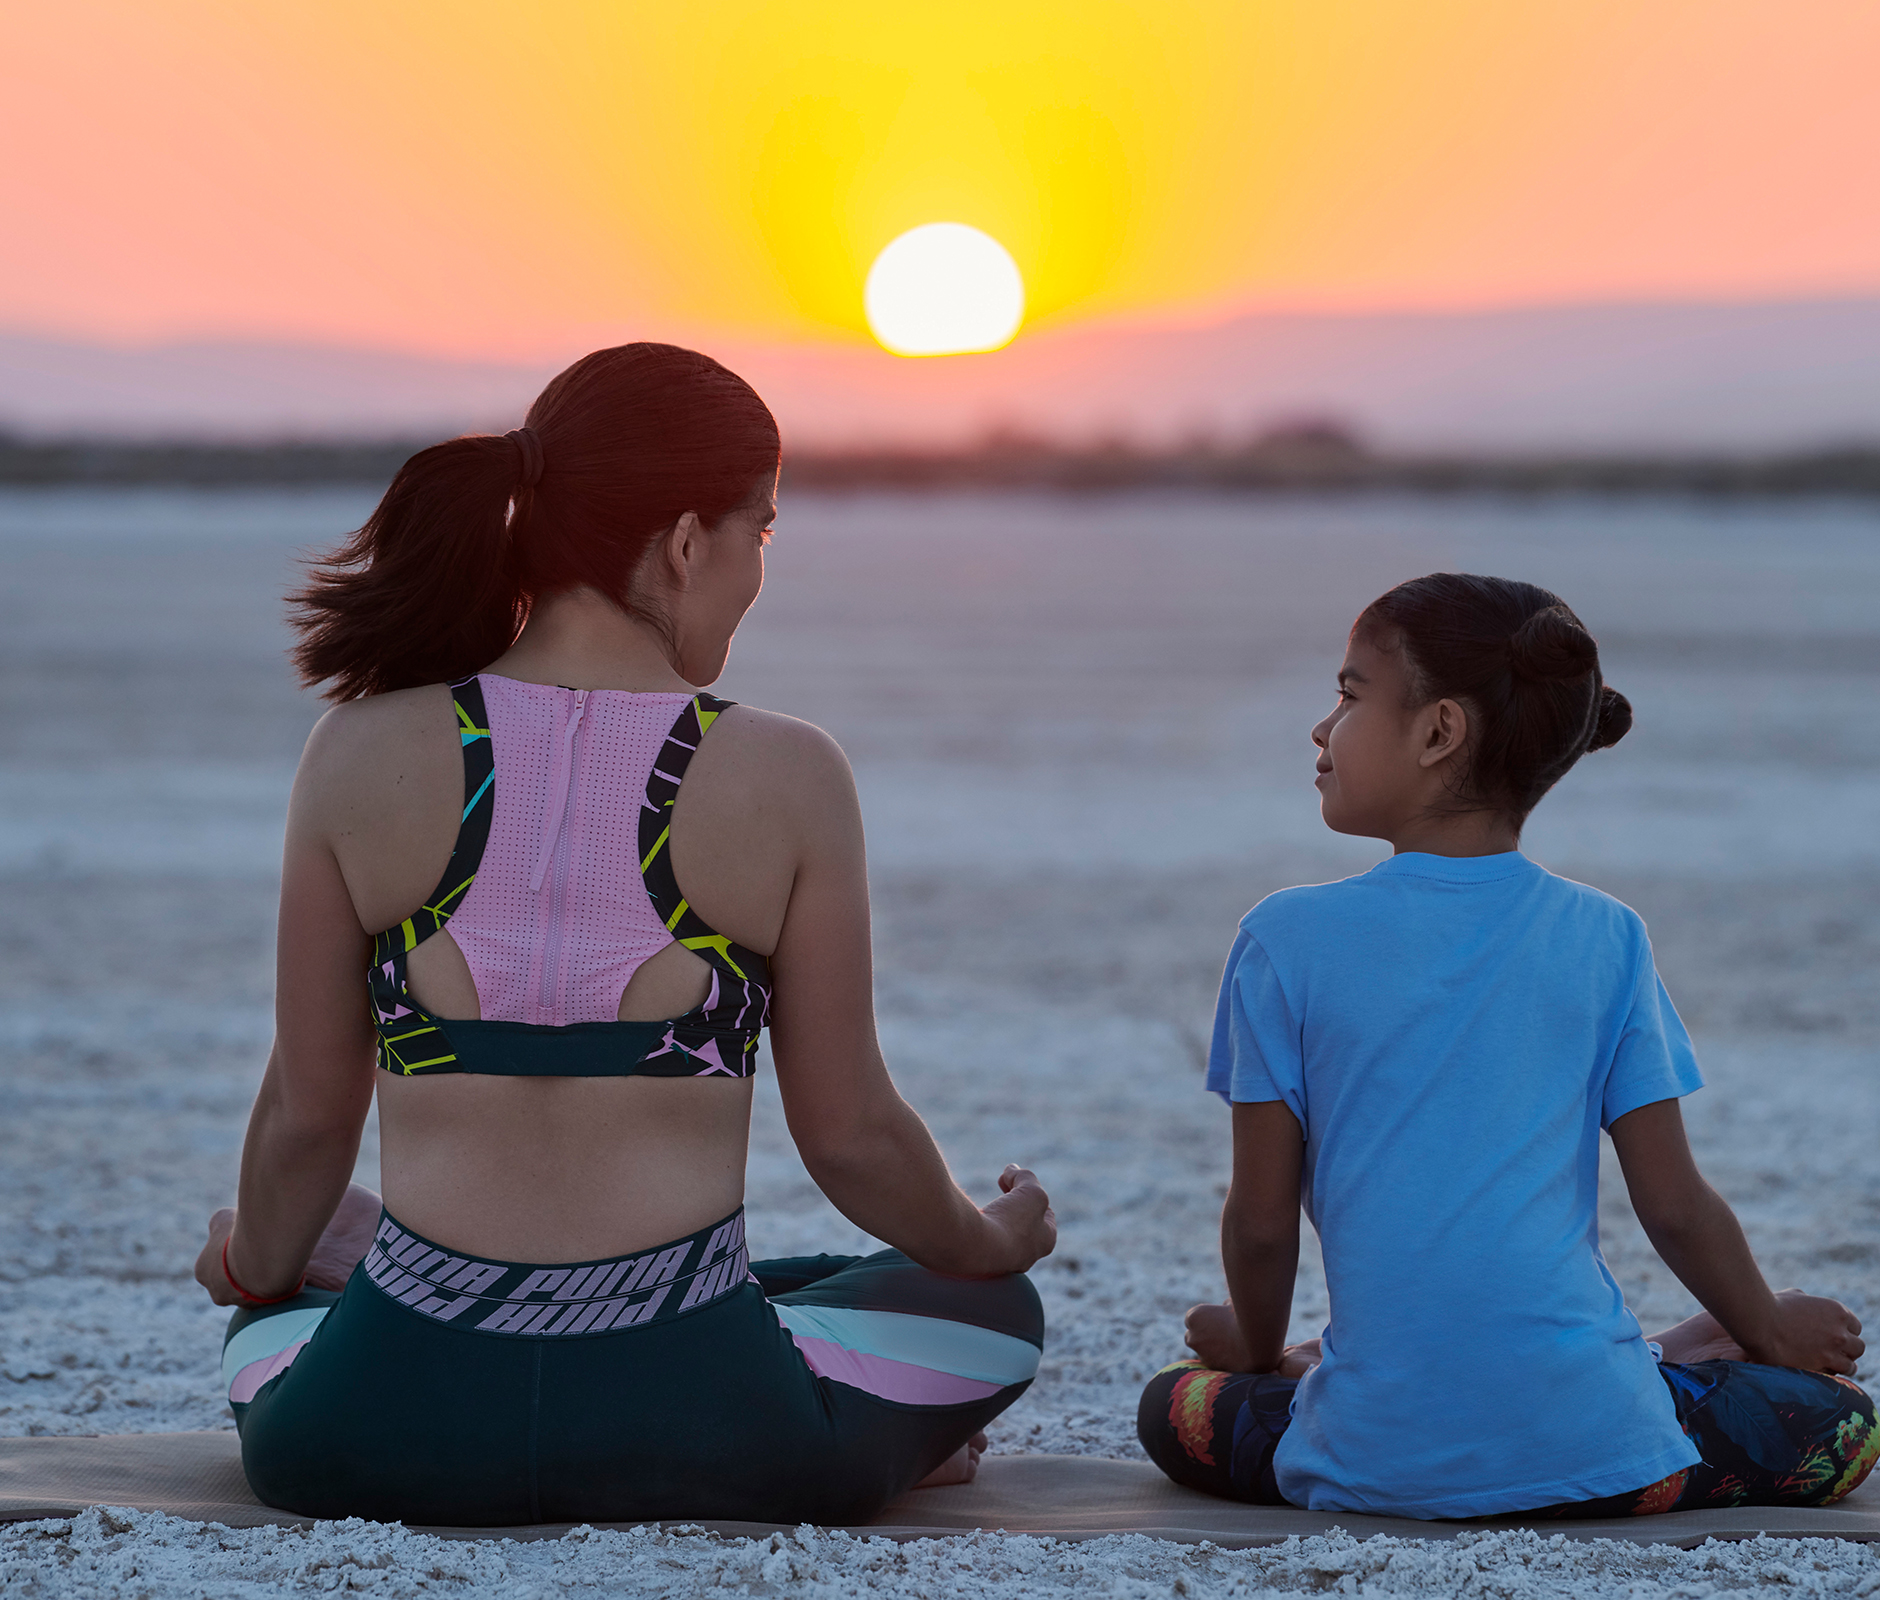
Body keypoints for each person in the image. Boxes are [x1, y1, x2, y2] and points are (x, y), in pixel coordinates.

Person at [192, 343, 1054, 1528]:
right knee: (988, 1310)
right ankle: (871, 1422)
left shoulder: (356, 750)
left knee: (275, 1310)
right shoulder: (789, 772)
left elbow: (305, 1117)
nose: (759, 568)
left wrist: (250, 1264)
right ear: (688, 540)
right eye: (763, 531)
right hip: (709, 1425)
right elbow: (850, 1138)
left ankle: (356, 1280)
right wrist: (984, 1238)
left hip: (375, 1434)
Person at [1138, 572, 1875, 1519]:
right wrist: (1767, 1327)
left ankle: (1418, 1365)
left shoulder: (1285, 938)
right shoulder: (1608, 936)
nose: (1322, 729)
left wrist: (1249, 1341)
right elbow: (1677, 1205)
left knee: (1175, 1406)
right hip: (1612, 1460)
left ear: (1440, 731)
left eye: (1350, 694)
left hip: (1368, 1465)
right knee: (1842, 1425)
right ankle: (1653, 1360)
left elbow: (1262, 1221)